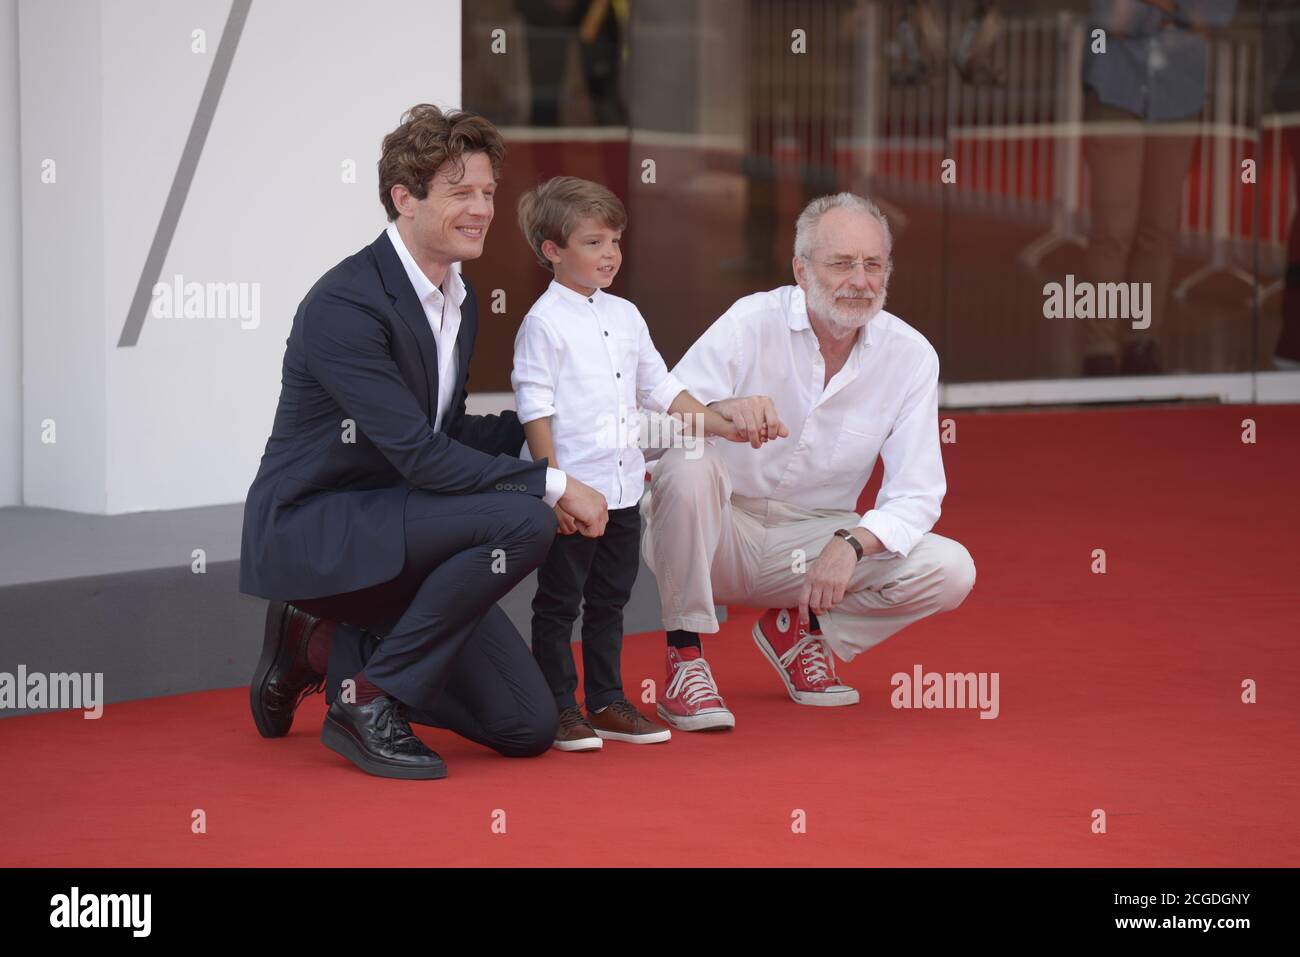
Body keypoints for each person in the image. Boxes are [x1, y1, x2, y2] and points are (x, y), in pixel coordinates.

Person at [240, 104, 610, 780]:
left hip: (400, 526)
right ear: (403, 199)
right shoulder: (346, 304)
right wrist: (552, 483)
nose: (481, 208)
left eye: (489, 191)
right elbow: (417, 454)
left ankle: (319, 646)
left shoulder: (455, 298)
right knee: (525, 518)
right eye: (460, 191)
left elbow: (450, 432)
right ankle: (371, 701)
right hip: (317, 528)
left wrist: (555, 432)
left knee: (524, 725)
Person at [641, 192, 977, 731]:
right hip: (720, 530)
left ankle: (799, 626)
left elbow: (917, 494)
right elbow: (644, 434)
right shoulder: (749, 322)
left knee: (951, 569)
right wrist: (715, 414)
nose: (859, 280)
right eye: (841, 263)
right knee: (688, 460)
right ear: (801, 270)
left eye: (873, 264)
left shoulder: (911, 355)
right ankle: (685, 657)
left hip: (817, 543)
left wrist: (853, 544)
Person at [512, 176, 744, 750]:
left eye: (614, 241)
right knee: (559, 602)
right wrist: (554, 488)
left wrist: (720, 423)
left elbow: (661, 388)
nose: (610, 253)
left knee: (611, 600)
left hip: (622, 488)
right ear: (552, 251)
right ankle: (562, 707)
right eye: (593, 243)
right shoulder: (543, 324)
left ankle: (609, 701)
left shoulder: (627, 315)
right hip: (574, 493)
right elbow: (534, 409)